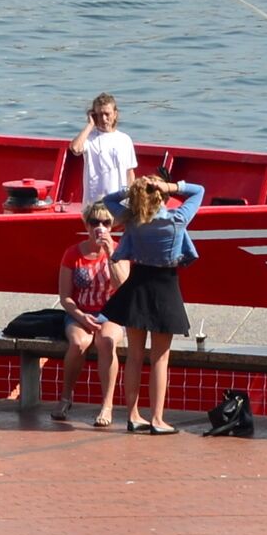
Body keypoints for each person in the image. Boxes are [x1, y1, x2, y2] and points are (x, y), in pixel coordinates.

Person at [105, 172, 205, 433]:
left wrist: (134, 190)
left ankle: (133, 416)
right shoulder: (177, 219)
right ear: (162, 196)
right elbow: (199, 191)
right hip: (165, 286)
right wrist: (169, 184)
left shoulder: (132, 220)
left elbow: (108, 199)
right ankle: (158, 419)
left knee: (135, 356)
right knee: (160, 358)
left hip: (137, 285)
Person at [55, 212, 130, 428]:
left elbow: (122, 286)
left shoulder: (120, 250)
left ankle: (107, 405)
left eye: (106, 222)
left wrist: (109, 253)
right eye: (94, 222)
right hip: (80, 312)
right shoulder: (73, 253)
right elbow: (65, 297)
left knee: (106, 341)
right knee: (79, 343)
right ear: (86, 225)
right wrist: (80, 316)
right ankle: (66, 397)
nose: (100, 227)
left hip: (112, 313)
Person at [73, 93, 139, 222]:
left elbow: (129, 173)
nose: (103, 119)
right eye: (99, 114)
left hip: (118, 205)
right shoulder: (90, 138)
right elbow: (75, 149)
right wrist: (89, 125)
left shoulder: (125, 139)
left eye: (107, 114)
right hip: (94, 206)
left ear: (115, 114)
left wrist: (132, 201)